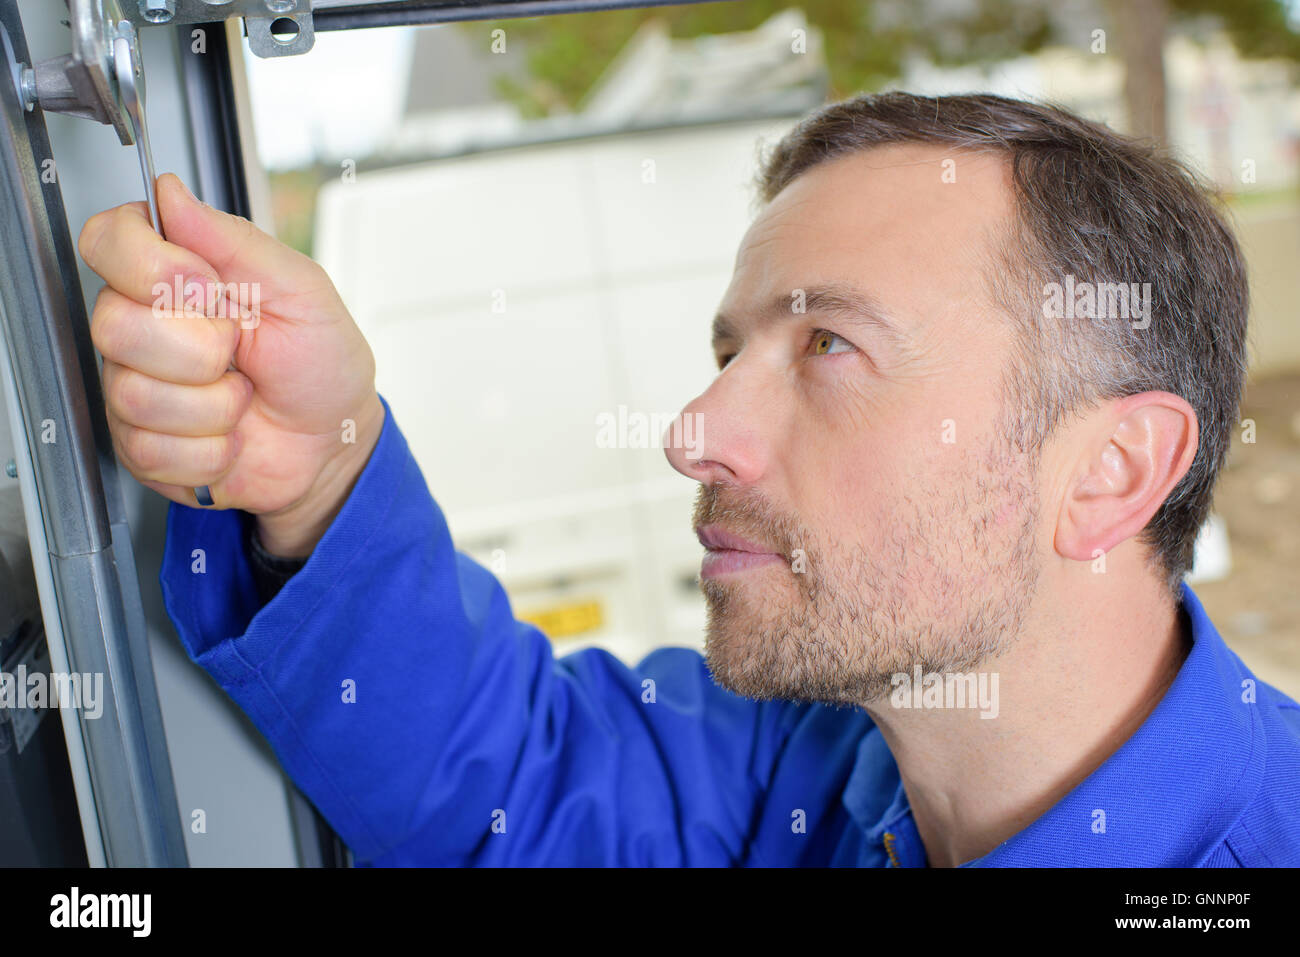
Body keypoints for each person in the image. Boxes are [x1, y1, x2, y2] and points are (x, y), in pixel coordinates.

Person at [77, 92, 1300, 866]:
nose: (694, 430)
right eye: (729, 352)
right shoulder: (804, 765)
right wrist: (317, 464)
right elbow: (507, 775)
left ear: (1108, 473)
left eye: (829, 345)